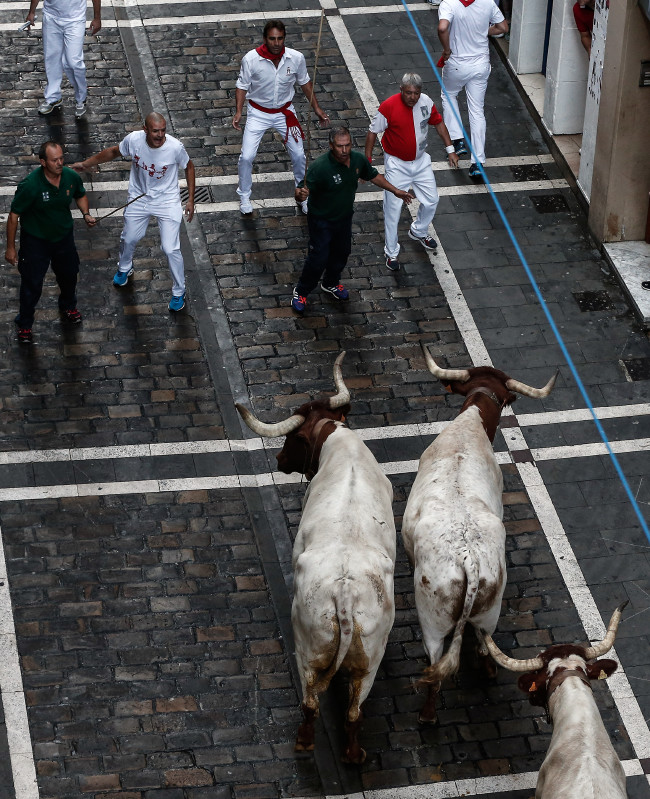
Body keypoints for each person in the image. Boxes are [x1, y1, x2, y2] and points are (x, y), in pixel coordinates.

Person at [71, 113, 195, 312]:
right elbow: (113, 152)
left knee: (171, 249)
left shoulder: (175, 147)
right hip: (139, 198)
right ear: (145, 129)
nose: (160, 135)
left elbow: (189, 166)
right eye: (156, 131)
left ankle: (179, 291)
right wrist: (87, 164)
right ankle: (124, 267)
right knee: (129, 238)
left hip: (167, 201)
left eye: (163, 130)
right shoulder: (134, 140)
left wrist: (190, 199)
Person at [291, 127, 415, 315]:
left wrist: (395, 190)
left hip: (344, 217)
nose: (344, 150)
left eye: (347, 145)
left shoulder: (357, 160)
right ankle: (301, 291)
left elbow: (372, 175)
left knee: (342, 252)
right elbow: (300, 193)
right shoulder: (320, 168)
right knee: (318, 258)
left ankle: (330, 283)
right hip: (321, 221)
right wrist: (300, 195)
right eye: (340, 146)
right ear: (331, 146)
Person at [233, 19, 329, 215]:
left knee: (299, 155)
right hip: (258, 113)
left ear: (284, 38)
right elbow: (242, 86)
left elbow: (305, 83)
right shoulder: (250, 59)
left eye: (280, 39)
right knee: (247, 157)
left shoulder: (296, 58)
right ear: (264, 39)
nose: (276, 43)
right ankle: (244, 195)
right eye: (272, 39)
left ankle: (303, 195)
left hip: (285, 113)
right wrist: (239, 111)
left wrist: (317, 108)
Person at [4, 141, 97, 344]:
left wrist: (86, 214)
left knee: (69, 276)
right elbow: (13, 216)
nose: (60, 163)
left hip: (63, 238)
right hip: (35, 243)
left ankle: (68, 306)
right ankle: (25, 324)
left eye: (61, 158)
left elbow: (80, 195)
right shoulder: (30, 186)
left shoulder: (71, 177)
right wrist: (10, 248)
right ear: (43, 162)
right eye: (55, 160)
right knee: (31, 284)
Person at [365, 73, 459, 272]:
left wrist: (450, 149)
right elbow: (373, 132)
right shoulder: (388, 107)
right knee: (393, 210)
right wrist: (367, 160)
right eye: (408, 93)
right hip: (397, 165)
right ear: (401, 89)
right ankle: (391, 253)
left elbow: (439, 123)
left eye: (416, 93)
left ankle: (418, 230)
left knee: (432, 200)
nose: (412, 97)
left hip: (421, 162)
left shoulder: (426, 102)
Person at [437, 0, 508, 178]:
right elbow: (503, 27)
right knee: (476, 110)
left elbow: (442, 28)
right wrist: (484, 31)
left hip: (456, 64)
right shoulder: (488, 2)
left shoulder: (449, 3)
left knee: (449, 95)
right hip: (480, 64)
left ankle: (458, 140)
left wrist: (446, 50)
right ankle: (478, 163)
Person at [26, 0, 102, 118]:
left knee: (74, 62)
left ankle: (81, 99)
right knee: (51, 58)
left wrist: (97, 18)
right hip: (51, 18)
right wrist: (31, 12)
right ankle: (53, 97)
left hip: (75, 20)